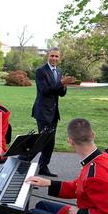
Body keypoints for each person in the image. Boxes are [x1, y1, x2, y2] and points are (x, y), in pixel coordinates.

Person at [32, 47, 75, 177]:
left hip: (54, 112)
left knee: (50, 142)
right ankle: (21, 161)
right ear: (48, 56)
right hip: (43, 111)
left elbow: (61, 93)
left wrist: (65, 85)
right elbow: (44, 90)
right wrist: (61, 82)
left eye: (56, 56)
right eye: (52, 56)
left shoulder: (59, 71)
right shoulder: (40, 71)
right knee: (42, 141)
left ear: (59, 58)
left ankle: (43, 166)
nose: (54, 58)